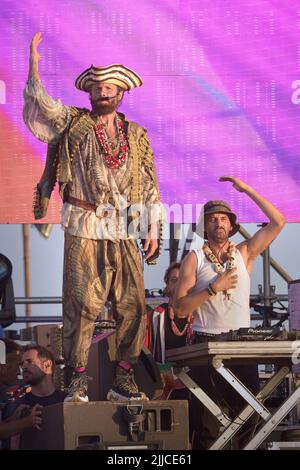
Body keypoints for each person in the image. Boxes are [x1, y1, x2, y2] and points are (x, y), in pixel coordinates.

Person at [24, 32, 163, 403]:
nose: (102, 91)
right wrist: (34, 65)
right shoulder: (74, 123)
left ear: (121, 92)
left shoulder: (136, 136)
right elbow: (44, 111)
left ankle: (124, 380)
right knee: (81, 303)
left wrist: (150, 225)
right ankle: (78, 380)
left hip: (123, 228)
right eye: (96, 87)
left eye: (109, 86)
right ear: (89, 93)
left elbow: (149, 184)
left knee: (134, 305)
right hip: (85, 224)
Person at [174, 176, 286, 449]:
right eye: (213, 219)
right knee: (209, 425)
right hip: (206, 344)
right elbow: (179, 307)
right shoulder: (195, 258)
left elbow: (278, 222)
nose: (219, 223)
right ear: (205, 226)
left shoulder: (245, 252)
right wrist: (212, 289)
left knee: (251, 421)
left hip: (241, 343)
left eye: (224, 219)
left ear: (232, 225)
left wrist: (247, 189)